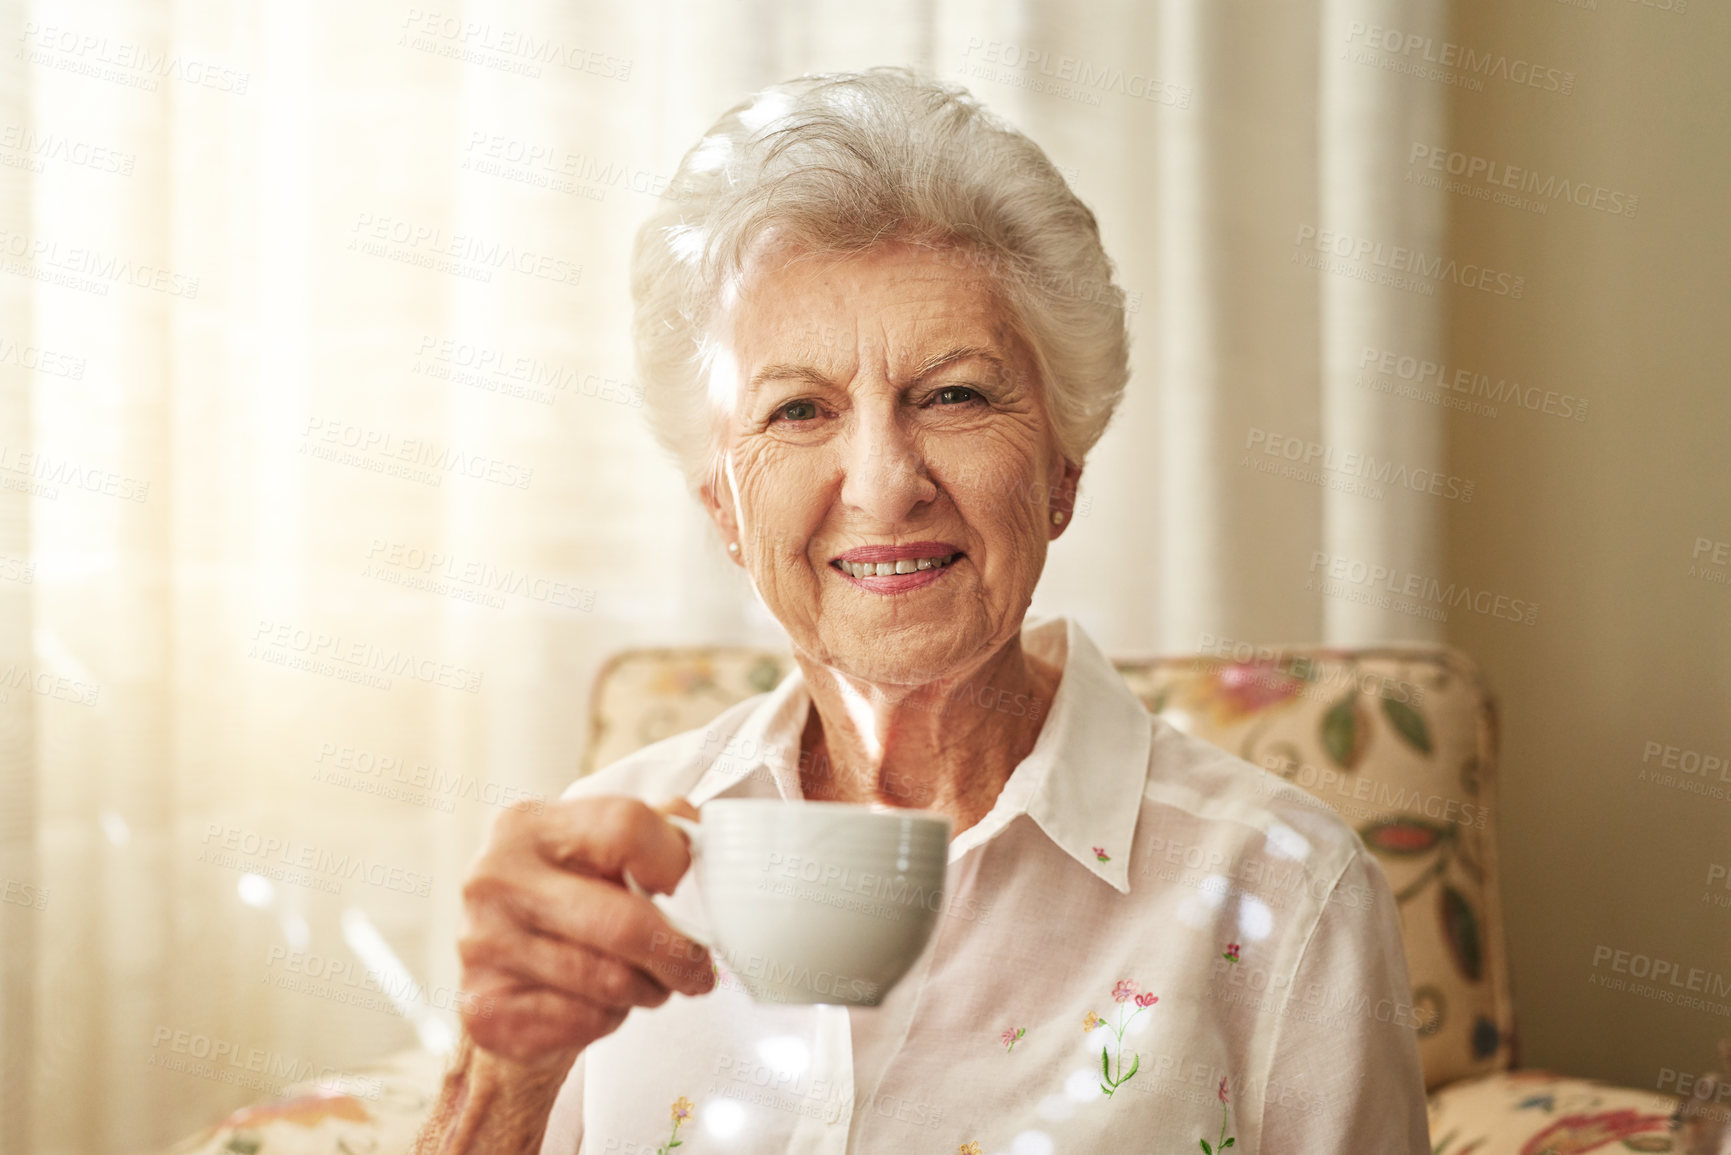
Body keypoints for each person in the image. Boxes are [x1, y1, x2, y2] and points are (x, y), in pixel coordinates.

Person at [413, 68, 1428, 1154]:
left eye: (953, 393)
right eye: (799, 409)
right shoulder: (612, 869)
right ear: (724, 507)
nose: (883, 482)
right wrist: (503, 1081)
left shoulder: (1282, 890)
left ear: (1061, 472)